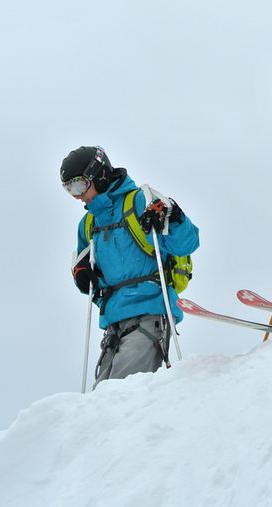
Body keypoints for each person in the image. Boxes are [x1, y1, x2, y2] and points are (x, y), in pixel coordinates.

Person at [60, 146, 199, 386]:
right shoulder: (88, 224)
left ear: (98, 174)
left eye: (79, 186)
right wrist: (81, 274)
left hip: (149, 313)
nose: (77, 196)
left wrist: (171, 214)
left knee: (118, 394)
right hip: (113, 326)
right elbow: (86, 268)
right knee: (101, 398)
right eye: (69, 189)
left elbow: (187, 243)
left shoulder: (138, 202)